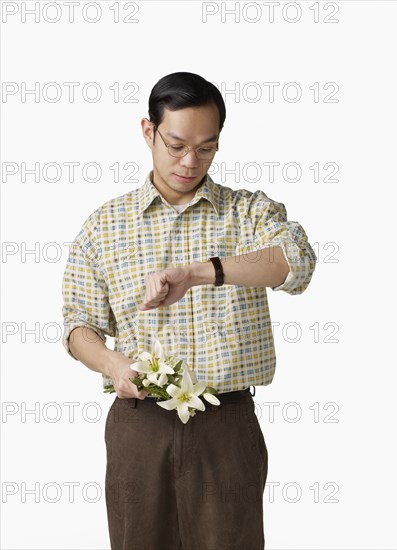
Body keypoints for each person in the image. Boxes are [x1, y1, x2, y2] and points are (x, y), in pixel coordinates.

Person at [61, 71, 317, 550]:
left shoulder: (248, 214)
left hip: (227, 423)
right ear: (148, 130)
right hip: (140, 425)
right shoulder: (104, 226)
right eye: (176, 144)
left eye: (206, 147)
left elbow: (297, 264)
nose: (189, 160)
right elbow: (79, 323)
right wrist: (113, 364)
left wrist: (200, 273)